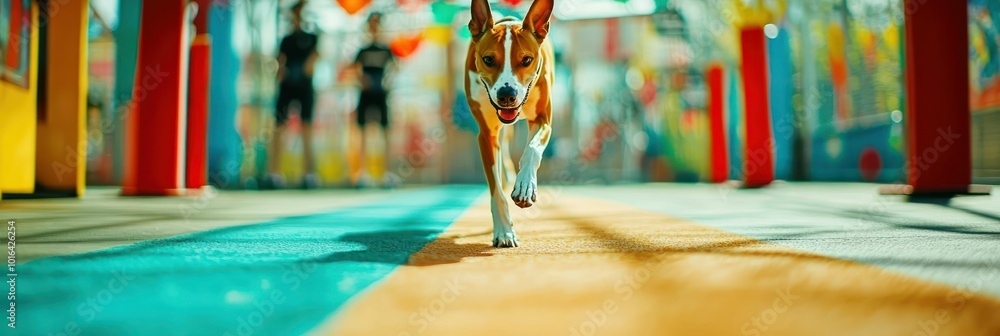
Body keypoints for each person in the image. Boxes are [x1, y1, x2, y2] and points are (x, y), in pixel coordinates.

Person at [267, 1, 320, 189]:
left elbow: (314, 60)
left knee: (306, 128)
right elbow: (280, 62)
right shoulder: (286, 40)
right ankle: (274, 174)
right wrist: (280, 72)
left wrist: (306, 69)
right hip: (288, 86)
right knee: (278, 128)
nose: (297, 17)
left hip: (304, 87)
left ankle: (309, 174)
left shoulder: (313, 38)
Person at [353, 12, 396, 188]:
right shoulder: (362, 51)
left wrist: (387, 82)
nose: (374, 27)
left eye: (376, 23)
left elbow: (394, 67)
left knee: (385, 132)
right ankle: (363, 173)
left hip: (381, 93)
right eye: (371, 24)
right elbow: (354, 69)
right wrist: (361, 80)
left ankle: (385, 173)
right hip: (366, 93)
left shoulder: (386, 50)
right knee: (362, 132)